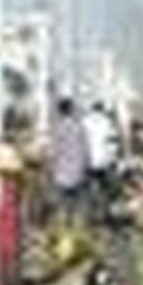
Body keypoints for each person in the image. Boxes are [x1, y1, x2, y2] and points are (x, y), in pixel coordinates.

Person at [49, 96, 90, 225]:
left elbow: (54, 152)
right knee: (78, 207)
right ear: (71, 110)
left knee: (62, 206)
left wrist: (51, 167)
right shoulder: (79, 128)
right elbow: (85, 150)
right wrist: (85, 167)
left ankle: (63, 234)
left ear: (59, 111)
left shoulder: (57, 130)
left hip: (61, 174)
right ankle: (78, 233)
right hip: (78, 173)